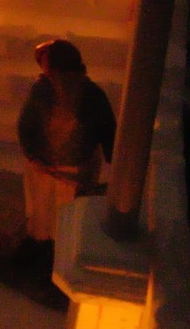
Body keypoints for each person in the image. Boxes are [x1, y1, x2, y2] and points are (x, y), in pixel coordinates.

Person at [17, 39, 116, 248]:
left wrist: (116, 164)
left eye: (51, 72)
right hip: (43, 171)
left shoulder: (93, 97)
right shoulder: (42, 90)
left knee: (69, 224)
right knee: (43, 216)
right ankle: (42, 248)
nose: (49, 77)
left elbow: (109, 133)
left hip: (77, 173)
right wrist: (33, 156)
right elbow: (26, 125)